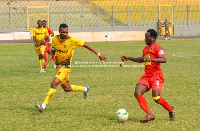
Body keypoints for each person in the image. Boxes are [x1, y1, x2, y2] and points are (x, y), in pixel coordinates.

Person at [35, 23, 106, 113]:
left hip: (66, 67)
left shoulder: (72, 40)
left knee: (54, 83)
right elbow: (52, 52)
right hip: (58, 67)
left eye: (66, 32)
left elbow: (86, 45)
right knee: (67, 88)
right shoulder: (55, 39)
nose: (65, 34)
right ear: (59, 31)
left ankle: (43, 106)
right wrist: (46, 62)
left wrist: (98, 54)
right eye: (63, 32)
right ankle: (85, 89)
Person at [121, 29, 175, 123]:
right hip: (147, 76)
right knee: (137, 92)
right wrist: (129, 58)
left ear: (153, 38)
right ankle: (149, 114)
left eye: (147, 37)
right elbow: (142, 59)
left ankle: (171, 109)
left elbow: (163, 59)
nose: (145, 38)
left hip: (156, 76)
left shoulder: (158, 47)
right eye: (145, 37)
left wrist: (151, 59)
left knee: (156, 98)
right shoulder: (145, 49)